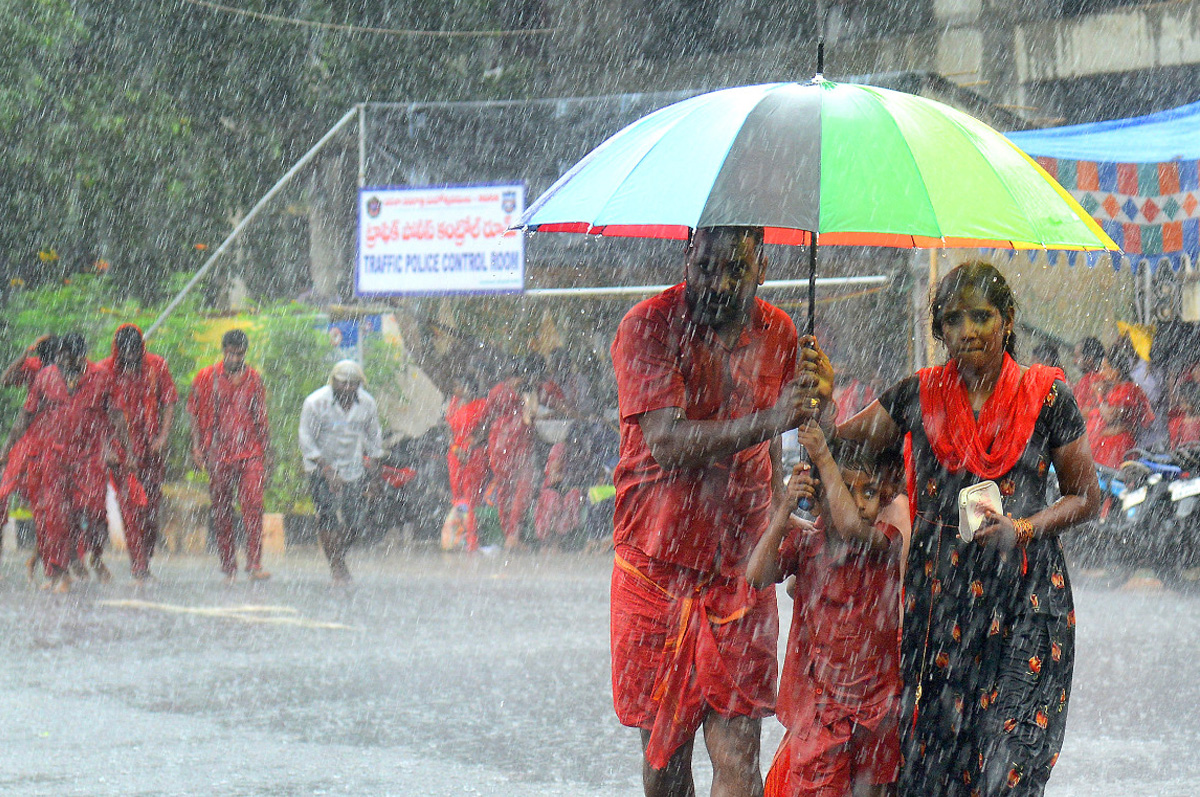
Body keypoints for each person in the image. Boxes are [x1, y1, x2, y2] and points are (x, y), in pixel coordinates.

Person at [836, 262, 1100, 797]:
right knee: (935, 767)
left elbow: (1087, 497)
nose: (969, 331)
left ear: (1007, 321)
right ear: (940, 332)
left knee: (1008, 765)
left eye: (982, 316)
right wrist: (813, 408)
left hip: (1027, 601)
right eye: (953, 320)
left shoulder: (1046, 396)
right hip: (942, 606)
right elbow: (844, 442)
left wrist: (1023, 527)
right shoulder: (917, 395)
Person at [608, 225, 830, 797]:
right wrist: (772, 418)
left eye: (736, 268)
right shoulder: (648, 326)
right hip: (655, 566)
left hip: (740, 566)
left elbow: (791, 437)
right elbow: (667, 441)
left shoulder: (780, 332)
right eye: (706, 265)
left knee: (738, 755)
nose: (718, 282)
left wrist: (815, 407)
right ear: (688, 257)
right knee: (663, 761)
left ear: (762, 268)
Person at [747, 429, 903, 797]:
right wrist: (784, 511)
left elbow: (849, 524)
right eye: (850, 492)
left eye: (870, 493)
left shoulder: (882, 540)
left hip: (875, 710)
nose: (863, 505)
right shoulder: (807, 543)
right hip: (818, 712)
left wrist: (822, 456)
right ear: (819, 501)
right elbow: (756, 575)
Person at [0, 333, 135, 592]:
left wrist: (126, 453)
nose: (61, 361)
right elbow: (25, 416)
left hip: (89, 458)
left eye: (66, 357)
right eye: (59, 356)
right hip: (54, 456)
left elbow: (117, 418)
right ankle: (58, 573)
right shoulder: (46, 376)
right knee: (54, 514)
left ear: (80, 356)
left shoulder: (102, 379)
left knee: (94, 512)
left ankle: (92, 555)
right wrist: (6, 449)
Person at [188, 329, 274, 584]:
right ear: (223, 351)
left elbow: (262, 418)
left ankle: (255, 563)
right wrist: (196, 447)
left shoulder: (254, 380)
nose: (235, 358)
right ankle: (228, 566)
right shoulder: (206, 377)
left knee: (253, 506)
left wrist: (267, 454)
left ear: (245, 353)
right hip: (218, 453)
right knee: (222, 510)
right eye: (230, 353)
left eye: (239, 354)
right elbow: (192, 412)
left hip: (250, 452)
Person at [98, 324, 177, 582]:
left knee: (152, 511)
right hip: (122, 454)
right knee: (131, 509)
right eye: (125, 352)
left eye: (135, 351)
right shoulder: (104, 371)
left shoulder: (157, 366)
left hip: (151, 449)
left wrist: (163, 436)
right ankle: (139, 567)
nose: (130, 357)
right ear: (118, 350)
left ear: (141, 348)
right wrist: (107, 447)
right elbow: (96, 413)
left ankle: (145, 558)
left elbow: (169, 401)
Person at [299, 359, 383, 585]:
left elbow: (374, 439)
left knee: (355, 521)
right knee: (327, 516)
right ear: (332, 381)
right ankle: (337, 566)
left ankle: (337, 555)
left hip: (352, 467)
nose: (347, 388)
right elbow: (306, 439)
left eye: (352, 384)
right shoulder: (315, 402)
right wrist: (326, 470)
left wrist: (375, 478)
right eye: (342, 383)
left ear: (360, 384)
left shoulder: (367, 404)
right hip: (320, 466)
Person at [0, 334, 59, 573]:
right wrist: (24, 354)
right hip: (31, 440)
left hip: (57, 442)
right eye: (43, 360)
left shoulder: (76, 372)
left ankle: (47, 561)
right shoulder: (35, 367)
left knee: (52, 505)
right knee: (4, 494)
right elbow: (5, 380)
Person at [482, 356, 542, 550]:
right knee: (522, 490)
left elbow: (487, 417)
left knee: (505, 490)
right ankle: (513, 536)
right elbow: (529, 418)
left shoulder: (496, 391)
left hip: (498, 446)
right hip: (517, 445)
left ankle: (509, 533)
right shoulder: (525, 392)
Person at [1086, 342, 1153, 469]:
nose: (1101, 373)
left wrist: (1099, 396)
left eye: (1104, 368)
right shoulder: (1111, 389)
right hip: (1105, 447)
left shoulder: (1128, 389)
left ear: (1116, 371)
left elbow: (1111, 416)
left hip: (1116, 447)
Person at [444, 373, 489, 552]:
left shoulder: (482, 404)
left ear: (469, 388)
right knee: (458, 496)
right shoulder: (454, 404)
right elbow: (447, 430)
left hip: (474, 455)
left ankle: (472, 539)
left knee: (472, 498)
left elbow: (483, 430)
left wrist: (469, 447)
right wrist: (456, 449)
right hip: (455, 456)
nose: (457, 390)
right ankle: (460, 538)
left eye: (459, 386)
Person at [1071, 336, 1105, 417]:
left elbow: (1078, 414)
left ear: (1090, 359)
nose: (1074, 361)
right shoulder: (1109, 377)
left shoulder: (1088, 380)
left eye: (1077, 357)